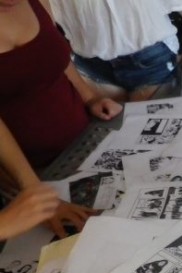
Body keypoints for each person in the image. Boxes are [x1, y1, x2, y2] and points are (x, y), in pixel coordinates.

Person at [0, 0, 123, 240]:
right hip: (29, 169)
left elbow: (52, 51)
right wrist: (32, 189)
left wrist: (90, 96)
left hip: (83, 140)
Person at [49, 0, 182, 101]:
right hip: (91, 66)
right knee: (111, 137)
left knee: (152, 139)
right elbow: (45, 22)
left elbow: (181, 2)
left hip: (150, 61)